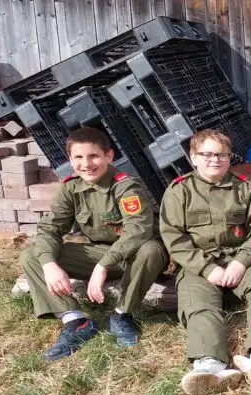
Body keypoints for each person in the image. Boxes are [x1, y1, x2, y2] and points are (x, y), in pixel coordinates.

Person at [21, 127, 167, 361]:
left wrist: (103, 266)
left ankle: (122, 314)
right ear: (70, 160)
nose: (86, 164)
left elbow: (138, 230)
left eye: (94, 156)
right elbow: (50, 228)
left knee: (151, 249)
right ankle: (75, 321)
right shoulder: (71, 188)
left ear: (109, 156)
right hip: (99, 252)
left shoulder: (126, 186)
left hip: (134, 254)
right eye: (78, 157)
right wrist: (49, 265)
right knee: (32, 254)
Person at [159, 129, 251, 395]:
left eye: (222, 155)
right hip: (199, 263)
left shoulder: (246, 188)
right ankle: (209, 365)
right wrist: (207, 268)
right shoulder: (179, 191)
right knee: (199, 303)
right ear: (193, 158)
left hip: (242, 257)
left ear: (229, 158)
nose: (215, 160)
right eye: (207, 154)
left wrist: (242, 261)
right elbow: (174, 238)